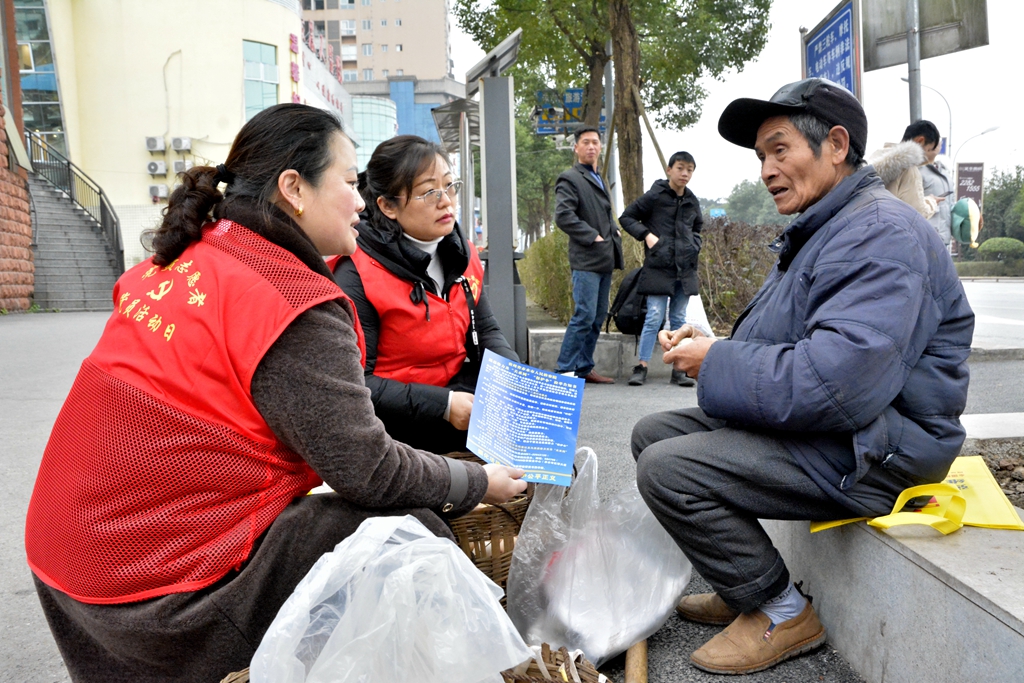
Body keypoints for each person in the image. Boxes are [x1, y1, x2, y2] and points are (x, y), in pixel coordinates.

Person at [24, 104, 526, 683]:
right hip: (155, 603)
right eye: (348, 181)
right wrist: (477, 481)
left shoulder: (185, 258)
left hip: (69, 568)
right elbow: (368, 471)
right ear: (294, 189)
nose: (361, 201)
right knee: (409, 535)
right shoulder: (292, 300)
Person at [631, 78, 974, 675]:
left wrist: (717, 361)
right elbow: (791, 347)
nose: (767, 169)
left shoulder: (880, 233)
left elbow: (837, 386)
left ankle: (782, 610)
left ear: (836, 145)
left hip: (881, 448)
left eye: (780, 149)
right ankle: (746, 589)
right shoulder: (829, 226)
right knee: (654, 435)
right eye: (761, 155)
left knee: (670, 469)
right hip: (849, 429)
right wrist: (714, 346)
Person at [333, 135, 518, 454]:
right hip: (397, 429)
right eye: (428, 192)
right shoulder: (356, 273)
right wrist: (443, 405)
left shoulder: (463, 254)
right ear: (387, 206)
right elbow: (356, 383)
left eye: (450, 186)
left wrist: (514, 376)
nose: (446, 201)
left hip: (462, 401)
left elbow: (485, 329)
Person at [619, 151, 703, 387]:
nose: (685, 173)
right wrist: (647, 236)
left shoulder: (691, 199)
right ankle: (642, 366)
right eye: (680, 168)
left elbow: (698, 226)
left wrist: (695, 244)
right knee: (654, 317)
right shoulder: (656, 195)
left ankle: (679, 369)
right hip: (659, 266)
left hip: (685, 268)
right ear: (669, 170)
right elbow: (627, 217)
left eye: (689, 169)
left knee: (678, 318)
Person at [554, 126, 623, 383]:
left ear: (601, 147)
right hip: (586, 258)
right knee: (583, 315)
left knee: (596, 317)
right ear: (576, 147)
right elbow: (563, 216)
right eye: (586, 142)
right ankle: (564, 371)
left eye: (595, 142)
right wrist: (592, 235)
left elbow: (603, 212)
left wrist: (613, 231)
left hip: (604, 257)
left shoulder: (598, 177)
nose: (591, 146)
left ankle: (584, 367)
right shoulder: (570, 178)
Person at [868, 125, 937, 220]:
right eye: (929, 149)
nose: (927, 156)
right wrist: (932, 202)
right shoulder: (909, 169)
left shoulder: (874, 157)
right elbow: (917, 213)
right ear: (920, 141)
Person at [903, 120, 954, 248]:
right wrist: (931, 202)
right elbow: (915, 208)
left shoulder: (945, 173)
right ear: (920, 141)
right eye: (934, 144)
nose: (939, 145)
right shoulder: (911, 170)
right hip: (921, 240)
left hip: (941, 240)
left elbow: (950, 206)